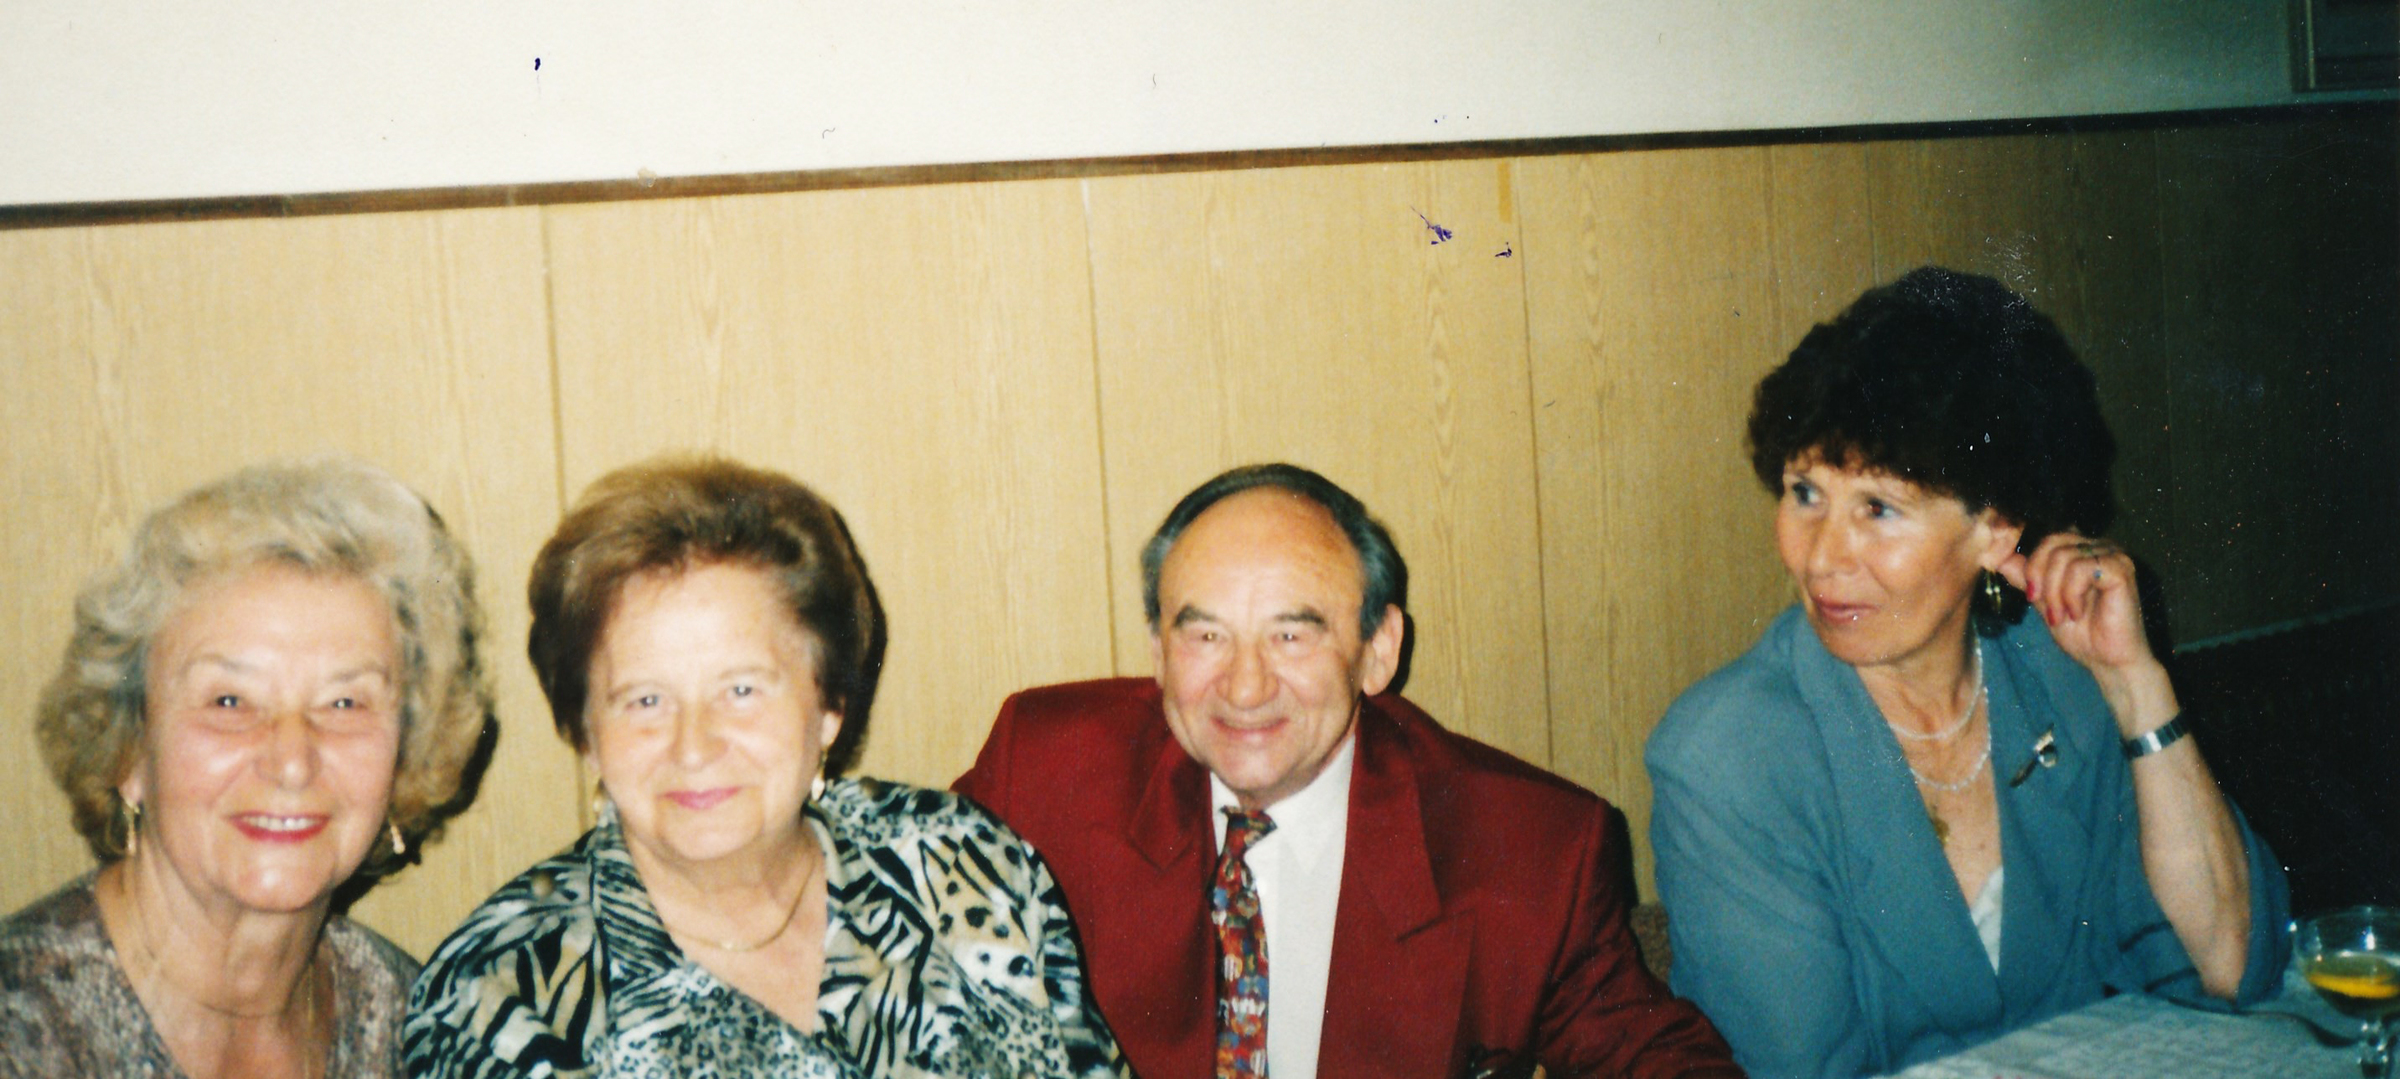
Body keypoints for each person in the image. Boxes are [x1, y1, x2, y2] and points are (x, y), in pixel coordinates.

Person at [1645, 267, 2292, 1078]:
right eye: (1805, 493)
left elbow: (2229, 965)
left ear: (1995, 529)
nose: (1822, 556)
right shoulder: (1727, 758)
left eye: (1878, 507)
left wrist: (2135, 683)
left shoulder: (2060, 678)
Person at [957, 463, 1741, 1079]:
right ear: (1159, 650)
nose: (1244, 687)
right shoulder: (1046, 771)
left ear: (1378, 650)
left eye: (1292, 636)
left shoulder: (1528, 846)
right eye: (1206, 636)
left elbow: (1656, 1059)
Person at [404, 456, 1129, 1078]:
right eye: (646, 700)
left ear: (829, 706)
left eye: (742, 690)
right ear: (586, 735)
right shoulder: (497, 995)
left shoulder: (962, 862)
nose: (694, 745)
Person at [0, 459, 495, 1078]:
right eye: (229, 701)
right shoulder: (19, 1030)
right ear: (129, 747)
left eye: (345, 703)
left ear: (406, 757)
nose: (291, 762)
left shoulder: (415, 1027)